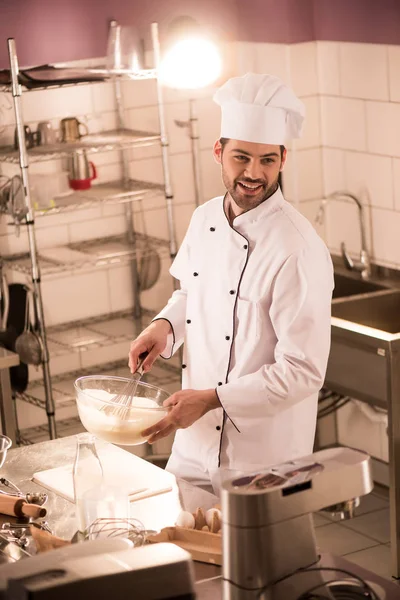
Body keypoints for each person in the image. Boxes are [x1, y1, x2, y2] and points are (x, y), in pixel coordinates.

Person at [129, 72, 334, 494]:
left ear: (283, 159)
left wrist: (211, 399)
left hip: (263, 457)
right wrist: (163, 328)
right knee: (180, 548)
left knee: (260, 560)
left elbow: (303, 370)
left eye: (267, 160)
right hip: (193, 445)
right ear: (218, 152)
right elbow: (192, 292)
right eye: (241, 157)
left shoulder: (298, 249)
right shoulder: (204, 219)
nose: (254, 174)